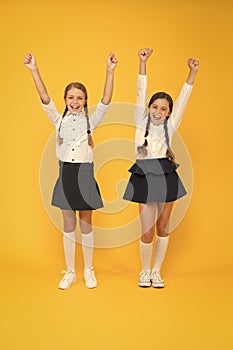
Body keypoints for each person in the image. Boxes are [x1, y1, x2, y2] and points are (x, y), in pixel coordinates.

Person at [24, 51, 118, 289]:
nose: (75, 101)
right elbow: (44, 97)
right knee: (68, 226)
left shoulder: (91, 121)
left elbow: (107, 99)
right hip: (65, 175)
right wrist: (34, 70)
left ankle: (88, 270)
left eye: (79, 98)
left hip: (85, 176)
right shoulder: (58, 120)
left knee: (86, 224)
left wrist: (109, 71)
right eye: (70, 98)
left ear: (85, 100)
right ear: (65, 100)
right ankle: (70, 273)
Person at [123, 48, 199, 288]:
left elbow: (184, 98)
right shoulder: (139, 119)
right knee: (147, 231)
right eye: (155, 106)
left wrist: (192, 73)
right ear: (148, 108)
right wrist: (142, 63)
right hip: (144, 174)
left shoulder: (171, 124)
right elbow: (140, 92)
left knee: (163, 227)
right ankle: (144, 272)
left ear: (168, 113)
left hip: (166, 174)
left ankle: (157, 272)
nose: (158, 111)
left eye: (164, 109)